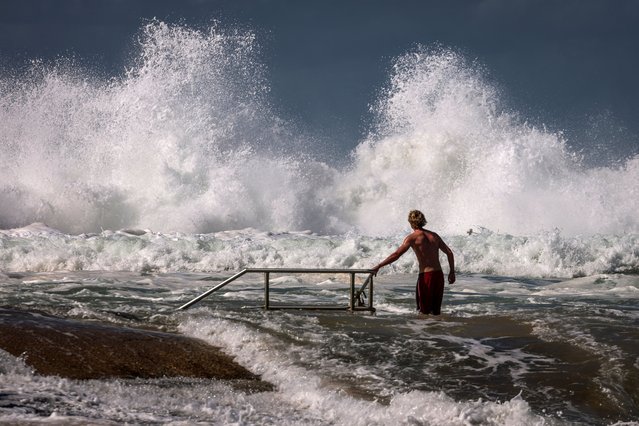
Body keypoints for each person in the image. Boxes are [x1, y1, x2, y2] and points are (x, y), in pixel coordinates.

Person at [371, 210, 455, 315]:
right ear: (423, 220)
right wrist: (452, 272)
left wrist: (379, 266)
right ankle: (436, 330)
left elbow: (396, 254)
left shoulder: (412, 238)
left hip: (426, 277)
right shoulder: (434, 236)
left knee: (424, 312)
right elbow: (450, 253)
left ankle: (425, 331)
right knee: (436, 311)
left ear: (411, 222)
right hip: (438, 276)